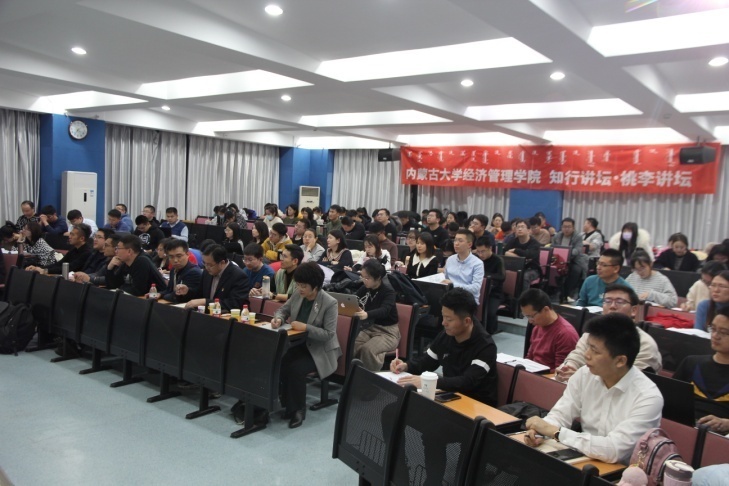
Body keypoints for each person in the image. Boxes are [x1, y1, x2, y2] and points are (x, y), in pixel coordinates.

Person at [524, 313, 664, 465]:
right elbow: (561, 414)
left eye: (595, 351)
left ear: (620, 361)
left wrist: (555, 432)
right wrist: (539, 431)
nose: (586, 355)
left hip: (621, 471)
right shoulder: (584, 375)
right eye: (588, 347)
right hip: (584, 458)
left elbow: (614, 450)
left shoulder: (648, 397)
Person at [391, 288, 498, 405]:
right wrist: (406, 366)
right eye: (443, 317)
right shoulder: (446, 335)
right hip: (450, 395)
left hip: (477, 403)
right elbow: (427, 361)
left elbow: (468, 381)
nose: (443, 323)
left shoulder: (486, 346)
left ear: (467, 321)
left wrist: (429, 382)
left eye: (449, 319)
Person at [268, 263, 340, 428]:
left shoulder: (329, 303)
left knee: (296, 369)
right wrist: (278, 318)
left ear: (315, 286)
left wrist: (306, 327)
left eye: (303, 286)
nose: (299, 289)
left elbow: (328, 334)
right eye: (298, 284)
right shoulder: (297, 295)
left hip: (319, 350)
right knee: (280, 361)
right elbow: (283, 310)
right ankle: (286, 404)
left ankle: (298, 410)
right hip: (297, 344)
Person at [556, 284, 662, 382]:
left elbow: (630, 380)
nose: (612, 306)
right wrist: (567, 368)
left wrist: (581, 378)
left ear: (634, 310)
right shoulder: (591, 334)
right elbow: (577, 356)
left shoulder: (645, 344)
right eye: (607, 301)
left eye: (619, 302)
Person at [674, 306, 729, 433]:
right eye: (713, 329)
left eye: (724, 332)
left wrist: (726, 423)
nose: (715, 336)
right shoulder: (691, 363)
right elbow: (671, 400)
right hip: (684, 428)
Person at [352, 260, 399, 371]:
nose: (364, 280)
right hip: (368, 328)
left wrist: (367, 314)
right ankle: (350, 373)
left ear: (378, 278)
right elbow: (354, 300)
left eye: (367, 278)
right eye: (362, 277)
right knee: (351, 344)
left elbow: (384, 310)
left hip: (387, 332)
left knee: (368, 349)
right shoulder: (364, 289)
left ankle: (369, 377)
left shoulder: (388, 292)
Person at [519, 289, 579, 371]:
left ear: (546, 309)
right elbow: (529, 358)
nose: (530, 321)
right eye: (527, 316)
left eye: (531, 316)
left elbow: (561, 372)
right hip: (534, 372)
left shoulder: (566, 334)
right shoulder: (537, 327)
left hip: (547, 376)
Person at [181, 244, 249, 312]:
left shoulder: (238, 276)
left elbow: (234, 304)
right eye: (205, 263)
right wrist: (188, 292)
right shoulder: (207, 272)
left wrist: (205, 302)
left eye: (210, 265)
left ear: (222, 263)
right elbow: (199, 296)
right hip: (207, 315)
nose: (206, 267)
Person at [27, 223, 92, 275]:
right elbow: (60, 263)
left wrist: (45, 270)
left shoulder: (87, 252)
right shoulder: (74, 249)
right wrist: (38, 268)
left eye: (72, 235)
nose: (69, 237)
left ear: (82, 238)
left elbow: (70, 268)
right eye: (70, 234)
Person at [443, 229, 484, 305]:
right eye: (455, 240)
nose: (456, 243)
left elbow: (475, 288)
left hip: (468, 299)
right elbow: (446, 279)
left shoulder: (477, 263)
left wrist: (453, 285)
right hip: (451, 297)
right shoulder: (450, 259)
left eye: (460, 241)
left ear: (469, 245)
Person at [474, 236, 505, 335]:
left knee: (489, 312)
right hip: (478, 289)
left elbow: (501, 277)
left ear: (490, 248)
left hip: (494, 293)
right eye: (478, 251)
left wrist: (484, 274)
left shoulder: (497, 260)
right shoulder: (476, 259)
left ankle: (489, 332)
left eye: (483, 251)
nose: (480, 254)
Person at [504, 219, 541, 290]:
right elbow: (505, 252)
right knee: (504, 273)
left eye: (522, 227)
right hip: (515, 267)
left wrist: (515, 250)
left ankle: (524, 296)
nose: (520, 229)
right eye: (518, 227)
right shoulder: (513, 241)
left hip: (532, 269)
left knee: (524, 276)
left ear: (528, 230)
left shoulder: (534, 243)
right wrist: (521, 258)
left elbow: (530, 254)